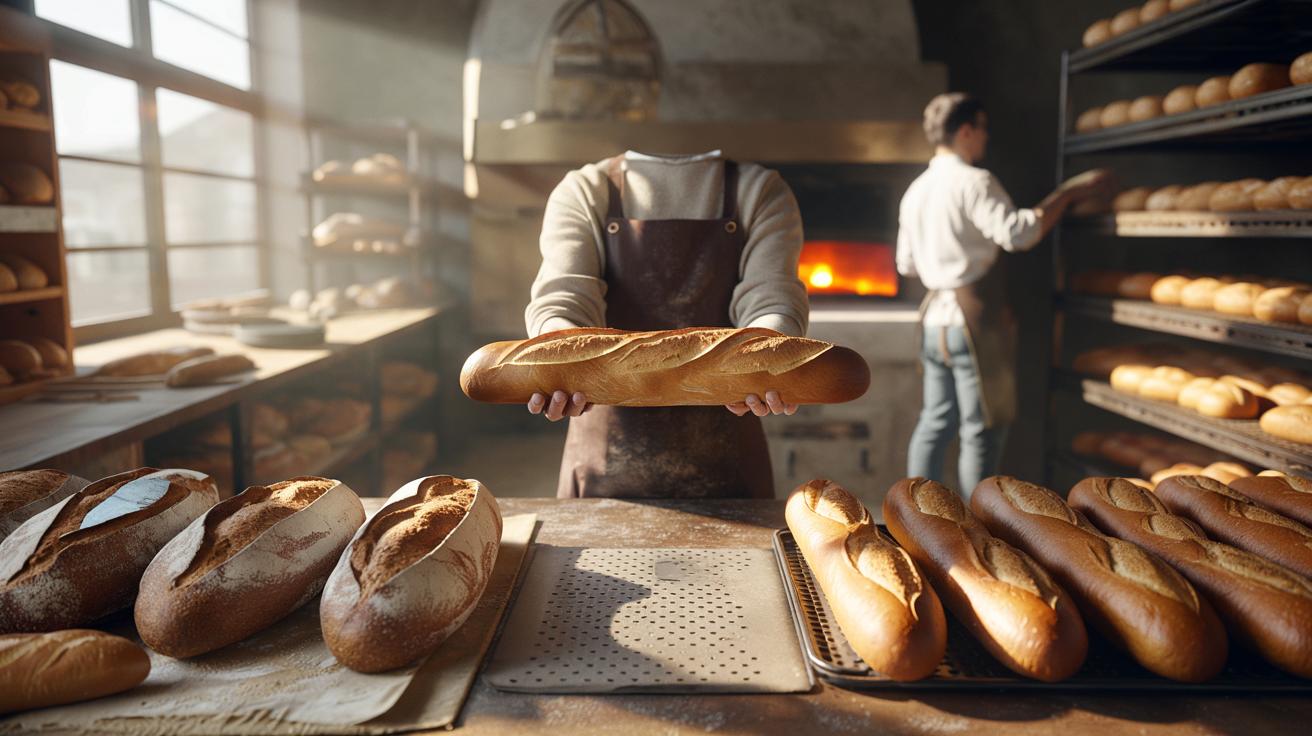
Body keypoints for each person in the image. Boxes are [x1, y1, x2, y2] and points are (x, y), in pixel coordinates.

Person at [525, 150, 809, 499]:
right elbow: (565, 298)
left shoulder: (759, 190)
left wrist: (772, 355)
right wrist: (555, 354)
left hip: (729, 468)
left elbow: (773, 298)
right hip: (603, 468)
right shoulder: (586, 189)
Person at [897, 92, 1107, 498]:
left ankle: (913, 511)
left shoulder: (916, 190)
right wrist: (1064, 197)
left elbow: (906, 264)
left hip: (933, 322)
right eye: (983, 130)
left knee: (935, 422)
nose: (985, 139)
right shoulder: (975, 182)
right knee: (984, 426)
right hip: (972, 322)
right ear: (966, 131)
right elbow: (1020, 233)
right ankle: (980, 523)